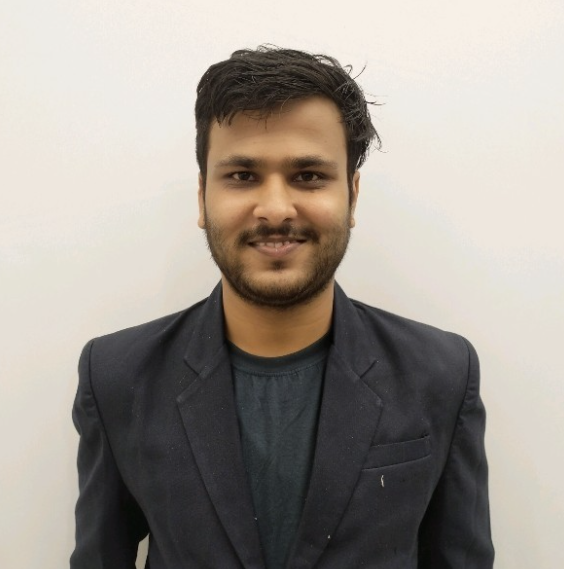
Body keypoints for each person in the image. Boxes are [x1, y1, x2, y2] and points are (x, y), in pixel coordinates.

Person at [71, 46, 494, 569]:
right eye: (242, 176)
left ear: (352, 195)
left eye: (309, 175)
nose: (274, 209)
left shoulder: (442, 374)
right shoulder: (117, 377)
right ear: (202, 197)